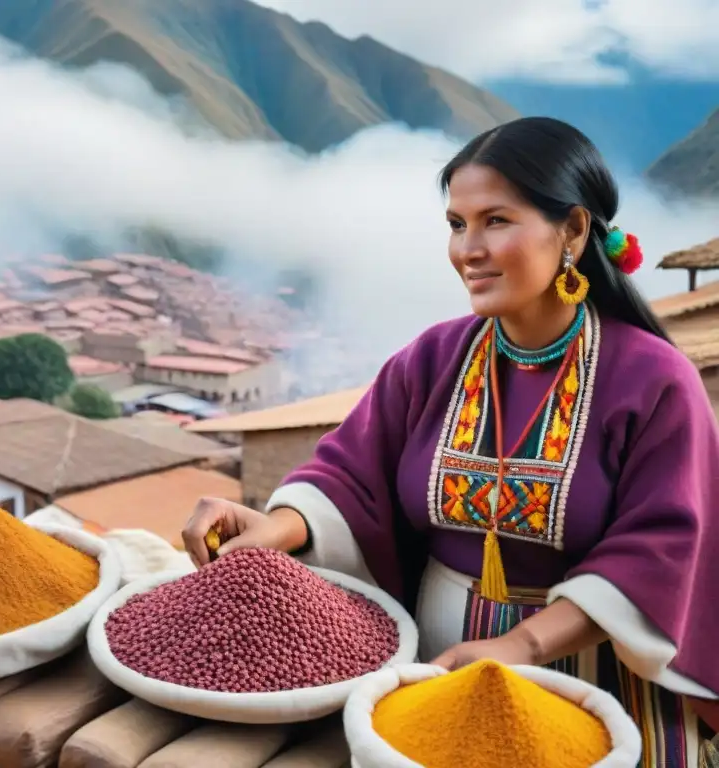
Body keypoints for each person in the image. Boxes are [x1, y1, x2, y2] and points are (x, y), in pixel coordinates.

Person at [183, 117, 717, 767]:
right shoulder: (432, 359)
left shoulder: (654, 381)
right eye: (456, 224)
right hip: (438, 667)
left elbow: (659, 548)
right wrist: (278, 528)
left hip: (594, 686)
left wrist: (521, 647)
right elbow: (351, 474)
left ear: (573, 231)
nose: (469, 248)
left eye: (496, 220)